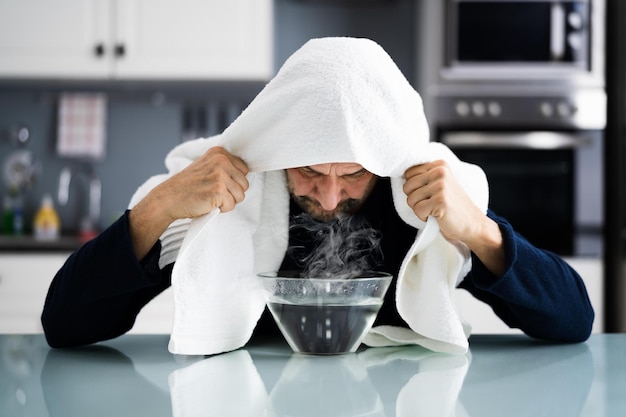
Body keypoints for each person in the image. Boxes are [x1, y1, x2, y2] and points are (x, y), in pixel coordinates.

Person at [41, 38, 594, 349]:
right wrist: (161, 205)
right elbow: (65, 324)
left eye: (352, 175)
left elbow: (573, 320)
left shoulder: (414, 198)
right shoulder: (237, 199)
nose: (329, 198)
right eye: (308, 170)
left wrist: (479, 230)